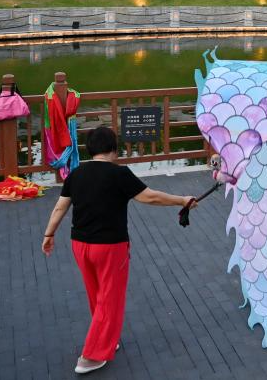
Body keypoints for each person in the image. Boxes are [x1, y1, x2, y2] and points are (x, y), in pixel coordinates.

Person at [42, 126, 198, 374]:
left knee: (96, 294)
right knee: (110, 299)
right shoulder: (120, 174)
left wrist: (49, 234)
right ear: (114, 149)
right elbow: (151, 198)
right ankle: (90, 356)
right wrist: (181, 200)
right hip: (110, 247)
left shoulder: (76, 173)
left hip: (80, 245)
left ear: (89, 149)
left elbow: (60, 208)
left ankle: (106, 340)